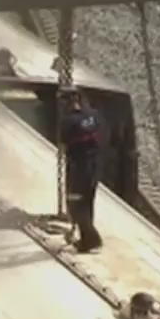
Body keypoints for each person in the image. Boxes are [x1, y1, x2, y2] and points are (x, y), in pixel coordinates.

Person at [59, 85, 103, 253]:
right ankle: (85, 239)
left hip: (78, 168)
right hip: (94, 166)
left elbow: (63, 146)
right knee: (87, 202)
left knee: (75, 203)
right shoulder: (94, 115)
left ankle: (92, 238)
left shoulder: (69, 121)